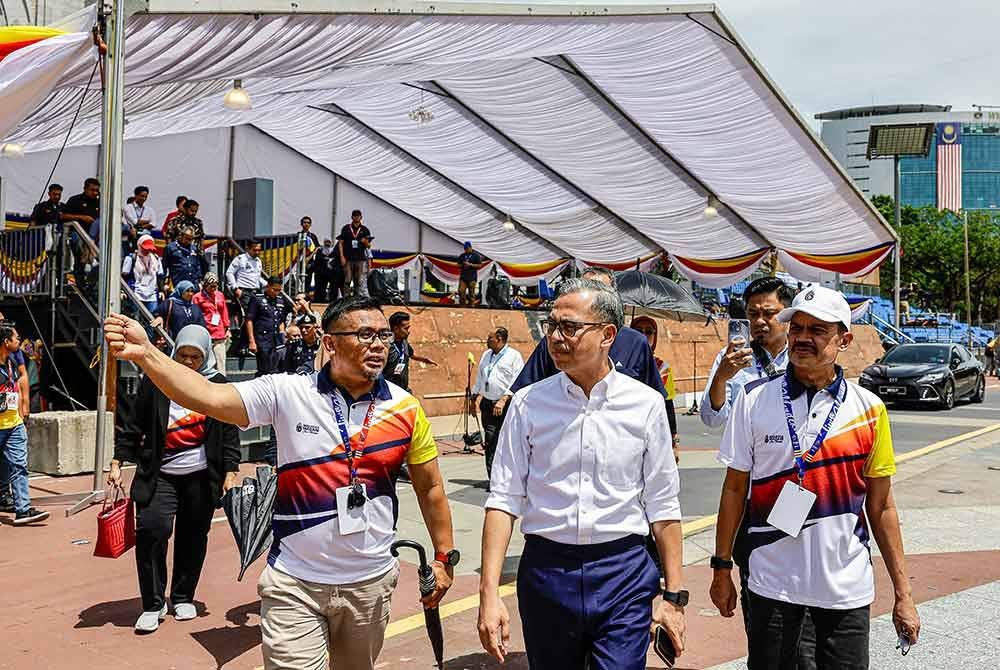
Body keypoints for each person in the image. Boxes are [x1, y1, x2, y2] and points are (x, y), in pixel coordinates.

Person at [103, 296, 457, 670]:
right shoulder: (287, 393)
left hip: (370, 584)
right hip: (295, 584)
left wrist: (444, 556)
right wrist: (147, 354)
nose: (379, 345)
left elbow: (430, 486)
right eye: (365, 334)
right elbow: (208, 395)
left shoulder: (406, 408)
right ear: (330, 342)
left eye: (383, 335)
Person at [478, 278, 686, 669]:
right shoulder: (528, 404)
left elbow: (662, 504)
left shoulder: (645, 405)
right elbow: (503, 500)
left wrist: (673, 598)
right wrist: (489, 592)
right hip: (547, 573)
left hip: (623, 572)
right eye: (551, 325)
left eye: (569, 327)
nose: (555, 337)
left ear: (608, 334)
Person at [711, 286, 920, 670]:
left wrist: (903, 593)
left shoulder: (869, 410)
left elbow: (882, 505)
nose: (803, 337)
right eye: (797, 328)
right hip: (771, 587)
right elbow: (734, 489)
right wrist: (721, 566)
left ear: (844, 339)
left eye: (818, 329)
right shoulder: (754, 399)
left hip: (845, 591)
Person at [109, 325, 240, 633]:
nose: (189, 362)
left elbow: (229, 430)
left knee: (194, 537)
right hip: (161, 474)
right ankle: (152, 603)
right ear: (174, 353)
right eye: (183, 355)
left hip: (201, 476)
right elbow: (134, 424)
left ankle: (183, 596)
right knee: (153, 529)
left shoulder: (218, 384)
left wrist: (231, 470)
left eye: (196, 356)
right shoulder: (156, 380)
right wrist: (117, 461)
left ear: (206, 355)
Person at [509, 267, 665, 397]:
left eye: (598, 290)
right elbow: (525, 389)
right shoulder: (554, 339)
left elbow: (655, 393)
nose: (557, 336)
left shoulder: (636, 343)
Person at [700, 277, 794, 430]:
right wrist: (720, 378)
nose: (759, 321)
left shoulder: (802, 356)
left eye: (768, 313)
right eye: (753, 313)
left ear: (788, 315)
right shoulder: (730, 358)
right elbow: (711, 419)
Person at [0, 324, 48, 524]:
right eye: (16, 338)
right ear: (6, 342)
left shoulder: (11, 361)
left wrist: (22, 410)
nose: (19, 340)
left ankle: (23, 510)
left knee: (19, 465)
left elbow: (18, 385)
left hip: (13, 424)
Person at [469, 327, 524, 482]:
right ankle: (493, 480)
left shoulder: (514, 356)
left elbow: (517, 381)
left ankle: (510, 478)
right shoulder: (486, 355)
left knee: (508, 441)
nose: (487, 340)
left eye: (490, 337)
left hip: (505, 405)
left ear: (499, 339)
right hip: (488, 405)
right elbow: (480, 378)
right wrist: (473, 399)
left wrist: (503, 399)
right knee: (491, 441)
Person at [630, 316, 680, 462]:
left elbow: (668, 405)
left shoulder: (663, 368)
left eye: (649, 332)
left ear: (655, 336)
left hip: (655, 433)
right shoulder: (618, 364)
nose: (643, 335)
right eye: (638, 331)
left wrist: (674, 442)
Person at [246, 276, 292, 378]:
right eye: (274, 290)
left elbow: (281, 320)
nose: (277, 293)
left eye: (279, 290)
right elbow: (249, 320)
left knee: (276, 369)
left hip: (276, 340)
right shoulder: (257, 298)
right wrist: (251, 341)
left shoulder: (280, 300)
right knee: (264, 370)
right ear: (268, 286)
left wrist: (283, 337)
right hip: (263, 340)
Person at [383, 311, 438, 391]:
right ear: (396, 329)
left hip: (403, 387)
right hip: (390, 390)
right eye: (406, 328)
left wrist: (424, 360)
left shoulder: (403, 341)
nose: (408, 331)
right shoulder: (385, 347)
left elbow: (410, 354)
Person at [192, 273, 231, 376]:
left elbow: (224, 312)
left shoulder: (220, 295)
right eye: (211, 286)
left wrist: (227, 328)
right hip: (205, 332)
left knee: (221, 362)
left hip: (219, 332)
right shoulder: (197, 297)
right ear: (205, 285)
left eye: (216, 286)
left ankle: (222, 383)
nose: (214, 288)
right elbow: (195, 315)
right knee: (205, 364)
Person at [123, 235, 165, 318]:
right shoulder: (131, 258)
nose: (147, 250)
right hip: (135, 294)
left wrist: (161, 290)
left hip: (152, 295)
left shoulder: (156, 259)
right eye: (145, 248)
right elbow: (124, 277)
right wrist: (123, 291)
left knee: (152, 321)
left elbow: (159, 276)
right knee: (135, 320)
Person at [338, 209, 373, 297]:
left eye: (358, 215)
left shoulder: (365, 230)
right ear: (352, 217)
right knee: (347, 279)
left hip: (360, 259)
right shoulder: (346, 228)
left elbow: (369, 246)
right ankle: (346, 298)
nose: (356, 217)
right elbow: (340, 243)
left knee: (358, 281)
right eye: (354, 215)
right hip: (348, 259)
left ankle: (357, 298)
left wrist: (365, 242)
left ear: (361, 217)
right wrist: (342, 256)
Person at [310, 238, 342, 303]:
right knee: (320, 287)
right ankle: (319, 299)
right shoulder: (320, 250)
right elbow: (317, 261)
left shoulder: (333, 250)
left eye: (329, 242)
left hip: (330, 273)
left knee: (333, 286)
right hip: (321, 272)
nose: (327, 243)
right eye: (326, 242)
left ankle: (330, 299)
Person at [457, 241, 483, 306]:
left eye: (467, 248)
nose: (466, 249)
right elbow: (458, 265)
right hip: (463, 277)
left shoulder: (476, 255)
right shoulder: (462, 255)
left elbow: (480, 265)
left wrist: (470, 265)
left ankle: (471, 307)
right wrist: (463, 265)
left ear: (471, 247)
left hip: (472, 277)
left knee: (471, 293)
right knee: (461, 291)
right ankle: (462, 305)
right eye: (465, 248)